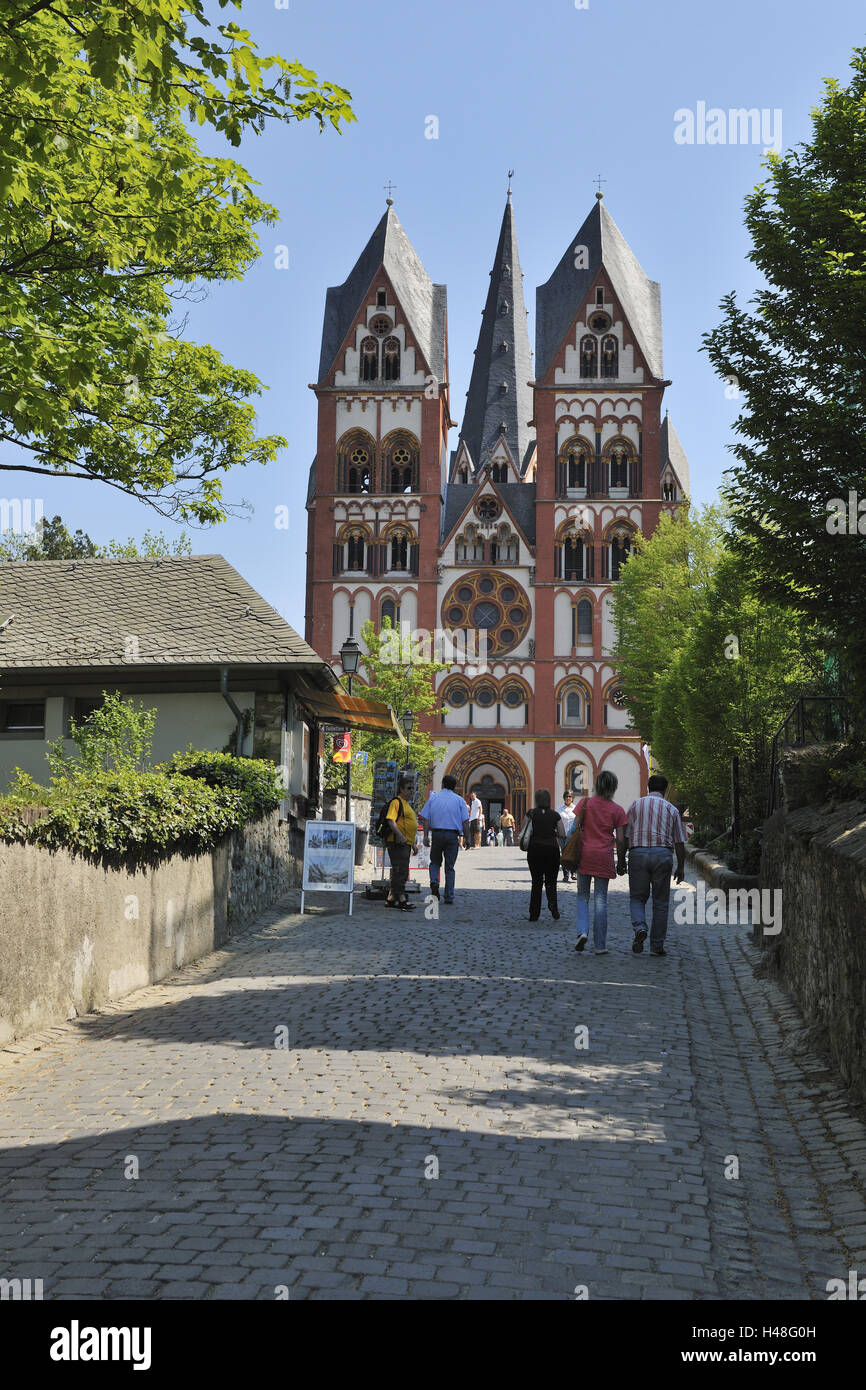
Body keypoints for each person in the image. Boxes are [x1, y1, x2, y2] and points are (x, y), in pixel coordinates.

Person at [622, 773, 686, 956]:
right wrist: (680, 867)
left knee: (637, 897)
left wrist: (621, 859)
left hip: (638, 853)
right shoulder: (671, 809)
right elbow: (680, 842)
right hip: (662, 855)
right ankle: (657, 946)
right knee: (660, 902)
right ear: (665, 790)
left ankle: (640, 927)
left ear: (648, 787)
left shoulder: (635, 805)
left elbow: (625, 835)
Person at [572, 771, 629, 955]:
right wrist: (621, 861)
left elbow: (575, 824)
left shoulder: (585, 803)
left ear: (596, 785)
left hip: (585, 855)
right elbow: (620, 840)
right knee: (601, 899)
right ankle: (600, 945)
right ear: (613, 788)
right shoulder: (617, 810)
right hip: (603, 857)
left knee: (582, 895)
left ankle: (582, 931)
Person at [419, 775, 471, 904]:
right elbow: (465, 821)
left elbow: (425, 818)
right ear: (454, 787)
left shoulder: (433, 798)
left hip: (437, 834)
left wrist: (425, 836)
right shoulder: (459, 801)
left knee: (435, 862)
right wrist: (467, 838)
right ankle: (449, 896)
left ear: (442, 784)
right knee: (450, 867)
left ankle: (434, 881)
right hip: (452, 836)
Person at [519, 788, 567, 921]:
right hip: (552, 850)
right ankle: (554, 907)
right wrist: (553, 833)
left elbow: (524, 829)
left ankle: (534, 914)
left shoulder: (531, 813)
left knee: (536, 882)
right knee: (551, 882)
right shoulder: (555, 815)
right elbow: (562, 833)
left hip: (535, 850)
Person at [383, 776, 418, 911]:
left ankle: (392, 899)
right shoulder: (396, 802)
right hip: (397, 843)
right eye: (409, 788)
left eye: (412, 788)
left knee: (401, 871)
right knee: (401, 871)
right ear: (401, 789)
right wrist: (401, 836)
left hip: (405, 843)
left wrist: (413, 844)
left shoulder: (406, 804)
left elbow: (408, 825)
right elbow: (390, 821)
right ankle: (401, 898)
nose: (411, 791)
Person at [557, 789, 577, 882]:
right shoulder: (559, 809)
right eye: (566, 796)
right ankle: (566, 875)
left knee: (573, 853)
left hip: (573, 836)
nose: (568, 798)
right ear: (564, 798)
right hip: (562, 836)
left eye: (570, 796)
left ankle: (573, 872)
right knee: (564, 855)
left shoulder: (576, 809)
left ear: (573, 798)